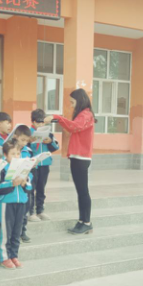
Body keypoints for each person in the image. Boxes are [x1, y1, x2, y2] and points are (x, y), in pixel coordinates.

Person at [45, 88, 96, 235]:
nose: (72, 105)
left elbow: (75, 127)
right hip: (77, 157)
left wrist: (57, 117)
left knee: (83, 191)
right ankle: (82, 221)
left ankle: (87, 223)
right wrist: (57, 119)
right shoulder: (82, 114)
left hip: (81, 158)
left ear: (80, 101)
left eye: (73, 102)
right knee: (81, 191)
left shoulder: (86, 114)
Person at [0, 140, 33, 270]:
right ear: (5, 155)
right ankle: (5, 257)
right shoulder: (1, 168)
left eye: (18, 153)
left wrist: (24, 183)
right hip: (7, 203)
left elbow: (29, 186)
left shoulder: (25, 168)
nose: (16, 157)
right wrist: (12, 184)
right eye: (13, 154)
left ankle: (14, 255)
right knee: (7, 232)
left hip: (21, 202)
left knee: (17, 231)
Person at [29, 109, 60, 222]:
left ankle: (40, 210)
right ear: (33, 122)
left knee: (41, 188)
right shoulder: (28, 133)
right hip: (33, 165)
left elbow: (56, 147)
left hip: (45, 164)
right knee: (31, 189)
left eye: (42, 122)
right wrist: (30, 140)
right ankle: (30, 212)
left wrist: (50, 141)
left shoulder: (48, 133)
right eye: (38, 122)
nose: (41, 125)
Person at [13, 125, 34, 244]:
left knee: (25, 209)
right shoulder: (10, 149)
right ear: (16, 137)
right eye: (22, 140)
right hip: (12, 183)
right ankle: (13, 232)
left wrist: (26, 178)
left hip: (25, 183)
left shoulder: (28, 151)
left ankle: (23, 231)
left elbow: (29, 169)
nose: (24, 143)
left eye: (26, 141)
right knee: (13, 211)